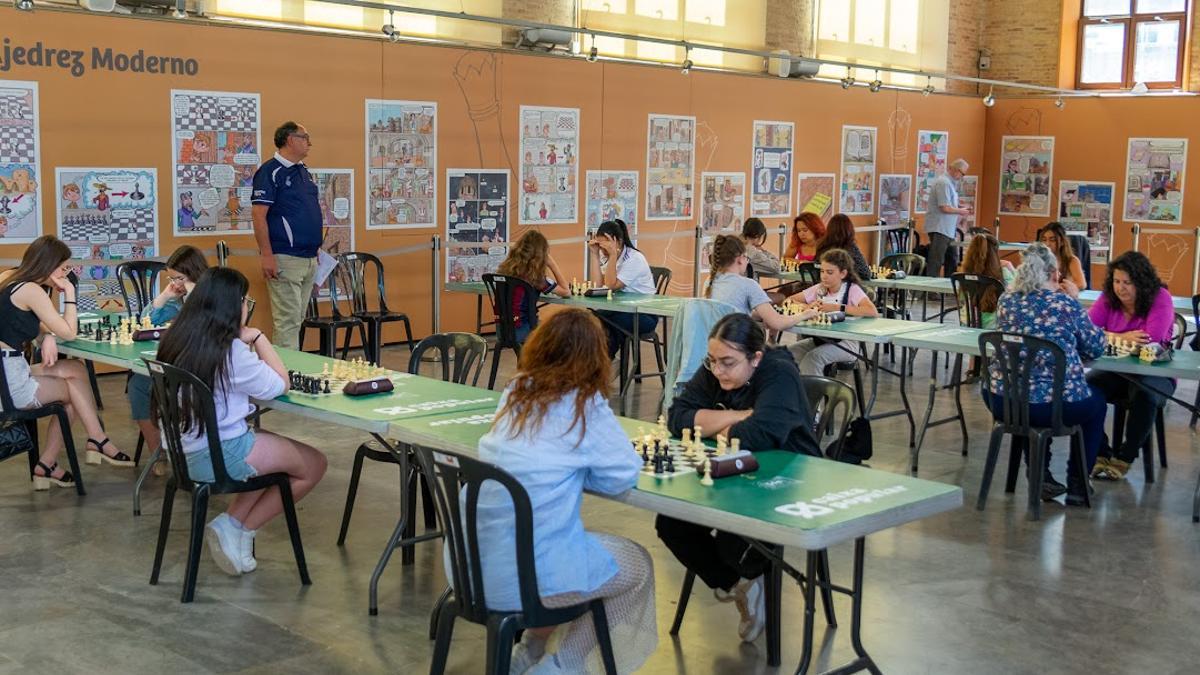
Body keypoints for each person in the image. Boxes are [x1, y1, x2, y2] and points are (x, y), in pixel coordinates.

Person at [471, 308, 656, 674]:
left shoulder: (515, 392)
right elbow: (622, 475)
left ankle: (529, 651)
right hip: (524, 579)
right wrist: (580, 468)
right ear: (597, 358)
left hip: (470, 566)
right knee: (635, 566)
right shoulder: (584, 405)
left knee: (573, 554)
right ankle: (562, 667)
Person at [657, 313, 820, 643]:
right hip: (733, 470)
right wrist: (739, 415)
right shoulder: (717, 366)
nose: (717, 371)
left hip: (788, 476)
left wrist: (715, 424)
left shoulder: (779, 372)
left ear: (755, 358)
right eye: (712, 361)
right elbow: (677, 417)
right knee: (671, 523)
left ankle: (746, 582)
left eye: (728, 363)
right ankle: (740, 587)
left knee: (734, 541)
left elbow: (760, 433)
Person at [156, 267, 327, 576]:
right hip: (217, 455)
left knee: (271, 454)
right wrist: (259, 338)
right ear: (233, 306)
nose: (247, 305)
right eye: (245, 300)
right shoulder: (231, 351)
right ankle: (243, 528)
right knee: (314, 464)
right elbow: (280, 384)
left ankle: (231, 525)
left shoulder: (176, 338)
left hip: (181, 454)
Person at [0, 236, 129, 489]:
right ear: (48, 265)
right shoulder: (32, 290)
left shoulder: (9, 277)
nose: (65, 274)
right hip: (11, 384)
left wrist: (48, 335)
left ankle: (61, 458)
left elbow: (21, 321)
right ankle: (94, 441)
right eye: (63, 268)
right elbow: (69, 332)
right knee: (74, 392)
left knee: (75, 370)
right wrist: (70, 293)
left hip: (8, 372)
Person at [984, 243, 1105, 504]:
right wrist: (1074, 299)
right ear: (1052, 274)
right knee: (1096, 402)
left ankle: (1040, 475)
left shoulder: (1006, 301)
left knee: (1031, 394)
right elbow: (1095, 347)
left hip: (1002, 401)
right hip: (1049, 406)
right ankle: (1078, 483)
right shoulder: (1065, 304)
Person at [1086, 252, 1176, 481]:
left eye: (1127, 282)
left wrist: (1106, 336)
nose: (1120, 288)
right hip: (1116, 371)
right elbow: (1086, 331)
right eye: (1116, 281)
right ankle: (1100, 452)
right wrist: (1122, 338)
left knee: (1144, 394)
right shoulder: (1108, 298)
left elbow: (1149, 341)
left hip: (1155, 373)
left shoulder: (1160, 297)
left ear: (1141, 282)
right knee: (1085, 387)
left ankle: (1125, 457)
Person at [126, 245, 210, 474]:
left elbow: (205, 324)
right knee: (138, 384)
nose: (176, 284)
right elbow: (145, 324)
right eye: (171, 279)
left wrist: (192, 294)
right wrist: (164, 297)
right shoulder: (176, 297)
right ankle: (158, 452)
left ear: (194, 273)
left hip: (202, 368)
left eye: (179, 278)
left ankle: (190, 451)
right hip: (175, 364)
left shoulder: (211, 293)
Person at [252, 121, 323, 350]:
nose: (309, 143)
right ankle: (283, 370)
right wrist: (267, 255)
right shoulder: (270, 172)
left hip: (309, 257)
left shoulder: (303, 171)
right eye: (305, 137)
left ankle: (288, 366)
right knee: (287, 322)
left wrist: (315, 251)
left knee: (296, 320)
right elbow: (259, 215)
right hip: (285, 257)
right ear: (291, 140)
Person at [788, 249, 879, 376]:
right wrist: (807, 307)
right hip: (821, 340)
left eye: (829, 272)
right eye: (822, 271)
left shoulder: (852, 289)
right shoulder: (820, 289)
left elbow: (872, 311)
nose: (824, 276)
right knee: (786, 354)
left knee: (814, 358)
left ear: (843, 273)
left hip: (846, 343)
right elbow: (789, 300)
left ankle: (810, 389)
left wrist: (837, 307)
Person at [704, 235, 809, 332]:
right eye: (746, 258)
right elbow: (778, 323)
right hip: (737, 343)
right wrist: (805, 315)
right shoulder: (748, 285)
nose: (747, 262)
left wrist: (763, 315)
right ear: (740, 259)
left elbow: (733, 313)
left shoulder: (709, 281)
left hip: (713, 341)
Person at [588, 219, 658, 358]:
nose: (603, 251)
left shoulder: (634, 259)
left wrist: (613, 254)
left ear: (618, 242)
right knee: (591, 319)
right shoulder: (609, 257)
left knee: (611, 325)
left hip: (644, 314)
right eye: (601, 247)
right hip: (621, 309)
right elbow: (597, 286)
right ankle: (594, 361)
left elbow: (610, 286)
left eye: (605, 247)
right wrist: (594, 254)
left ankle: (602, 363)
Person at [495, 229, 570, 344]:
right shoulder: (535, 278)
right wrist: (552, 264)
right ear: (541, 255)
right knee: (560, 332)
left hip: (501, 330)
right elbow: (566, 291)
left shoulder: (504, 270)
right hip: (522, 330)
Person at [924, 158, 972, 277]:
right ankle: (930, 286)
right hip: (940, 228)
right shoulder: (943, 183)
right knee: (936, 260)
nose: (962, 177)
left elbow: (949, 204)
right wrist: (961, 211)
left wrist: (959, 206)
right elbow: (944, 207)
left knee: (952, 259)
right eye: (962, 173)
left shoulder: (949, 183)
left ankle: (950, 284)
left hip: (948, 229)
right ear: (955, 169)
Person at [957, 233, 1015, 328]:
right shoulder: (1003, 273)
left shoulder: (963, 275)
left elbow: (962, 299)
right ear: (995, 253)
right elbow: (1018, 292)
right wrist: (1011, 268)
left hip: (967, 323)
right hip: (994, 327)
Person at [814, 213, 871, 279]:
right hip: (843, 284)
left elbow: (816, 268)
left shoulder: (821, 246)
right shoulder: (850, 247)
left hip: (822, 284)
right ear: (849, 230)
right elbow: (865, 273)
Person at [1037, 222, 1086, 291]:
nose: (1047, 244)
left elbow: (1081, 284)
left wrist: (1057, 287)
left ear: (1062, 242)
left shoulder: (1071, 260)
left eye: (1052, 240)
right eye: (1044, 240)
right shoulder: (1038, 259)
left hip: (1063, 295)